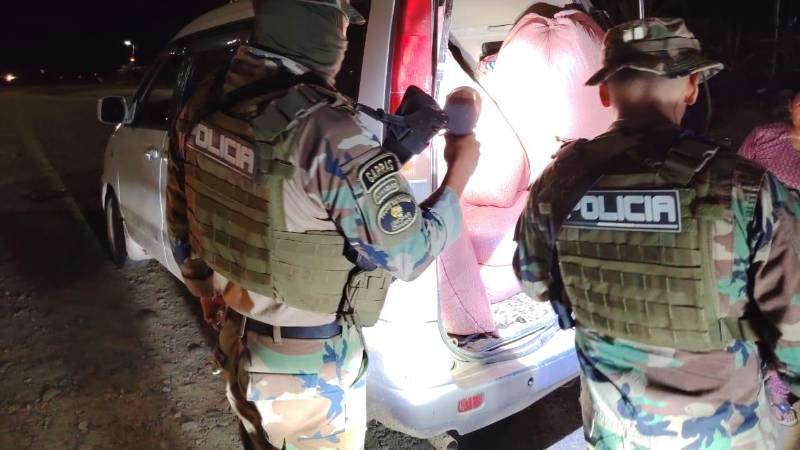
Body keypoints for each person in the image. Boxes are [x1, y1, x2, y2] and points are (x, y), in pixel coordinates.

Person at [165, 1, 480, 449]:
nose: (344, 45)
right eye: (343, 30)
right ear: (317, 28)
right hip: (306, 369)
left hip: (237, 340)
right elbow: (409, 254)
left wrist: (203, 290)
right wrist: (460, 169)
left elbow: (183, 214)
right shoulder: (326, 127)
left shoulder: (204, 103)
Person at [514, 17, 800, 448]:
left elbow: (535, 283)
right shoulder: (745, 187)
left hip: (614, 431)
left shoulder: (560, 180)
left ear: (605, 92)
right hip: (722, 435)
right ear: (692, 88)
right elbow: (794, 340)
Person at [738, 90, 800, 427]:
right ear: (790, 105)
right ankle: (764, 379)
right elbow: (734, 179)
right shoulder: (764, 138)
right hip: (759, 242)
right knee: (756, 315)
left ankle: (778, 382)